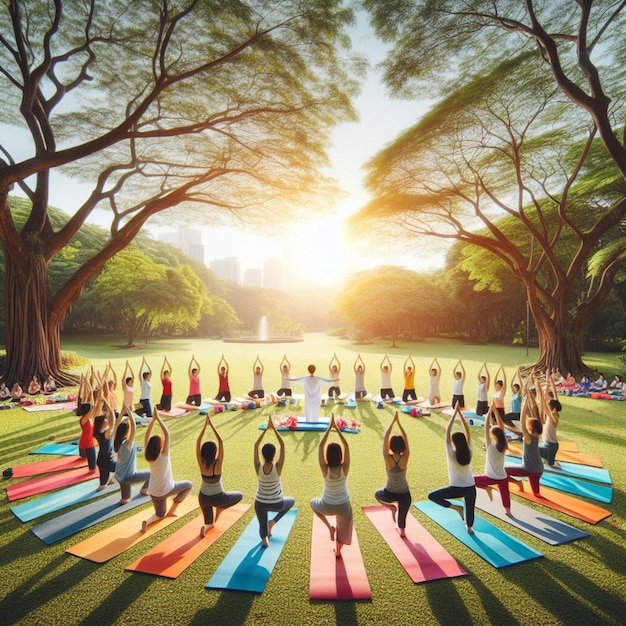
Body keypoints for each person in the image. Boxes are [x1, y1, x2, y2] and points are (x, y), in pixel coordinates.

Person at [141, 409, 193, 532]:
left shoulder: (148, 456)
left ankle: (147, 521)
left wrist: (152, 421)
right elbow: (167, 434)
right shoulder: (163, 455)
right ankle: (172, 511)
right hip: (167, 490)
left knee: (159, 514)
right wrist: (158, 418)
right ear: (160, 446)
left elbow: (146, 437)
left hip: (153, 492)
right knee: (188, 485)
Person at [427, 405, 476, 534]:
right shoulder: (469, 451)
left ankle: (456, 508)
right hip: (470, 487)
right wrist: (462, 418)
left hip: (455, 489)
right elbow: (468, 434)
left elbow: (447, 433)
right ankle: (469, 527)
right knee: (470, 507)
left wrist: (454, 415)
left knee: (432, 496)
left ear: (454, 443)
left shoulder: (451, 453)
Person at [310, 415, 353, 556]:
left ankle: (329, 527)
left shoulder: (325, 469)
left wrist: (329, 428)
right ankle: (338, 552)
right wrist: (337, 429)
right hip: (343, 507)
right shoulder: (344, 468)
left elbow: (321, 445)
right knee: (344, 528)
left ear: (327, 456)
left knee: (312, 503)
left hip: (326, 505)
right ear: (340, 456)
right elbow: (346, 446)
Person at [197, 414, 243, 536]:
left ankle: (205, 527)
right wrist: (211, 426)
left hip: (203, 498)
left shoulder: (201, 463)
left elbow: (198, 441)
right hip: (218, 498)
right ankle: (220, 508)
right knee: (239, 495)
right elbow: (221, 441)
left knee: (209, 522)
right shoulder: (218, 464)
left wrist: (204, 428)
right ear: (215, 452)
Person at [253, 416, 295, 547]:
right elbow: (282, 444)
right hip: (277, 503)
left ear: (263, 454)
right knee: (291, 501)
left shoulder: (258, 467)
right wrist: (274, 428)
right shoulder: (277, 467)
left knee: (261, 523)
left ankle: (264, 538)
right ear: (274, 454)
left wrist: (266, 430)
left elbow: (256, 445)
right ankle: (273, 522)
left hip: (260, 503)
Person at [375, 411, 411, 537]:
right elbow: (405, 439)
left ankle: (391, 508)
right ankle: (402, 530)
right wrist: (399, 424)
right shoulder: (405, 457)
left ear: (391, 445)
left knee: (376, 494)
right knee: (403, 513)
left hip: (388, 493)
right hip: (404, 494)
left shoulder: (387, 457)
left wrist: (392, 423)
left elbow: (385, 438)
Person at [505, 378, 544, 496]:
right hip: (539, 470)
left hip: (528, 469)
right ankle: (533, 490)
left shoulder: (528, 437)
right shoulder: (538, 435)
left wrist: (524, 406)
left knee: (503, 471)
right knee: (536, 494)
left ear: (531, 428)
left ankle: (518, 484)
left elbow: (522, 421)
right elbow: (535, 418)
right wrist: (529, 399)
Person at [473, 404, 511, 515]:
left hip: (490, 477)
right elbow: (502, 428)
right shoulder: (504, 445)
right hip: (502, 477)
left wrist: (489, 412)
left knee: (470, 480)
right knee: (505, 493)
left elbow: (486, 428)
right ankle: (508, 511)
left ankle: (486, 488)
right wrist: (496, 412)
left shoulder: (490, 447)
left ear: (494, 436)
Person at [113, 405, 150, 504]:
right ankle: (144, 489)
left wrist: (121, 414)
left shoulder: (115, 442)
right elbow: (134, 428)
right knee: (152, 473)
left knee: (125, 500)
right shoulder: (128, 443)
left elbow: (116, 426)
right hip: (129, 477)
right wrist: (130, 414)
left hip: (119, 475)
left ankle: (125, 496)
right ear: (127, 432)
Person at [94, 392, 117, 492]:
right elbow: (113, 420)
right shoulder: (106, 434)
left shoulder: (98, 432)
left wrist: (100, 402)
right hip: (108, 461)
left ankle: (110, 481)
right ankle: (113, 479)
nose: (107, 420)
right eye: (105, 420)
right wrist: (108, 404)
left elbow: (98, 416)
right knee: (123, 468)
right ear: (102, 424)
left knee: (102, 485)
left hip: (100, 460)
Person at [538, 373, 561, 469]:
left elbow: (543, 400)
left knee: (551, 464)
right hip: (546, 443)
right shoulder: (552, 415)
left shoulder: (552, 416)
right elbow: (555, 396)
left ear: (553, 408)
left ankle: (551, 461)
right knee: (533, 449)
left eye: (549, 404)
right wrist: (551, 381)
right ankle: (547, 458)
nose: (548, 404)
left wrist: (538, 386)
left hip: (552, 446)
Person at [77, 380, 98, 471]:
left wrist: (89, 387)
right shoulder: (84, 419)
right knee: (93, 469)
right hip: (87, 444)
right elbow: (92, 407)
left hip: (85, 443)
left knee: (86, 460)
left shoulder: (87, 418)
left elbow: (93, 406)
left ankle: (83, 455)